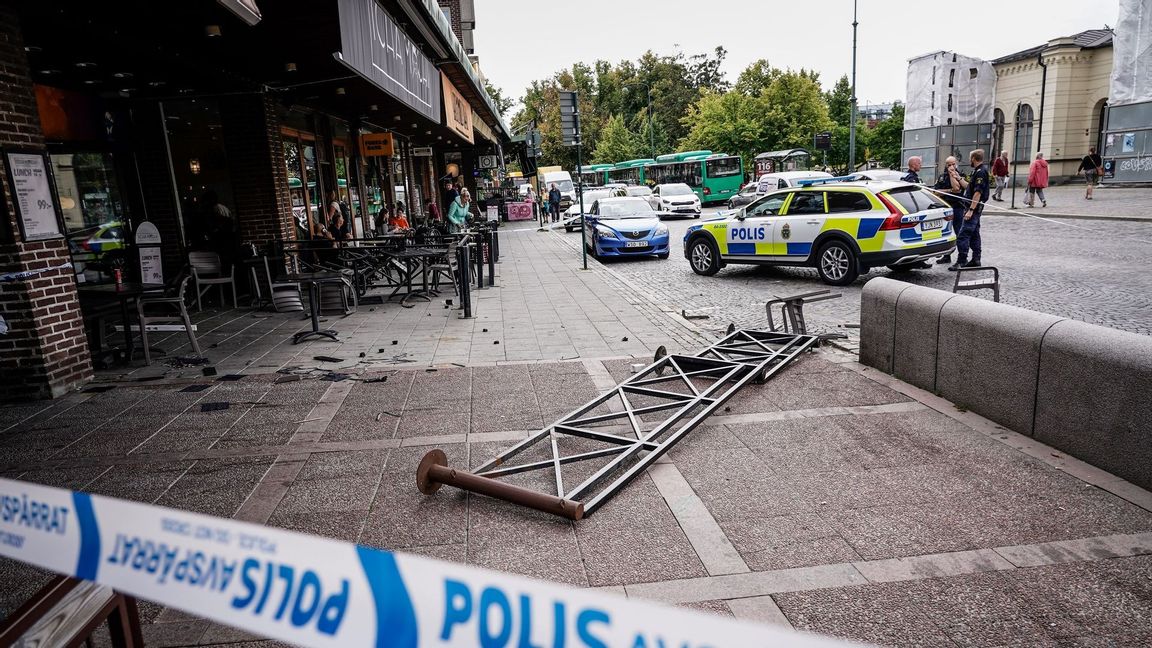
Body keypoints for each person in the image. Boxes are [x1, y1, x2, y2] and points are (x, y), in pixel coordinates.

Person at [949, 149, 989, 271]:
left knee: (963, 235)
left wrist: (971, 210)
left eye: (970, 158)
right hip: (973, 207)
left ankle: (961, 260)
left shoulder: (981, 172)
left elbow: (977, 192)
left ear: (973, 158)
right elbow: (969, 188)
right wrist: (958, 177)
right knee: (974, 234)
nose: (969, 160)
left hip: (973, 208)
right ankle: (976, 259)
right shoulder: (977, 171)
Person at [931, 157, 966, 265]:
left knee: (959, 232)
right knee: (946, 232)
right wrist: (949, 191)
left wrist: (952, 175)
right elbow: (935, 192)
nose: (951, 167)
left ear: (956, 164)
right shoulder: (942, 177)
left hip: (957, 207)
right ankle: (947, 256)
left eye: (953, 164)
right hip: (945, 208)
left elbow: (957, 189)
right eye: (948, 165)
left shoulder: (961, 176)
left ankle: (962, 258)